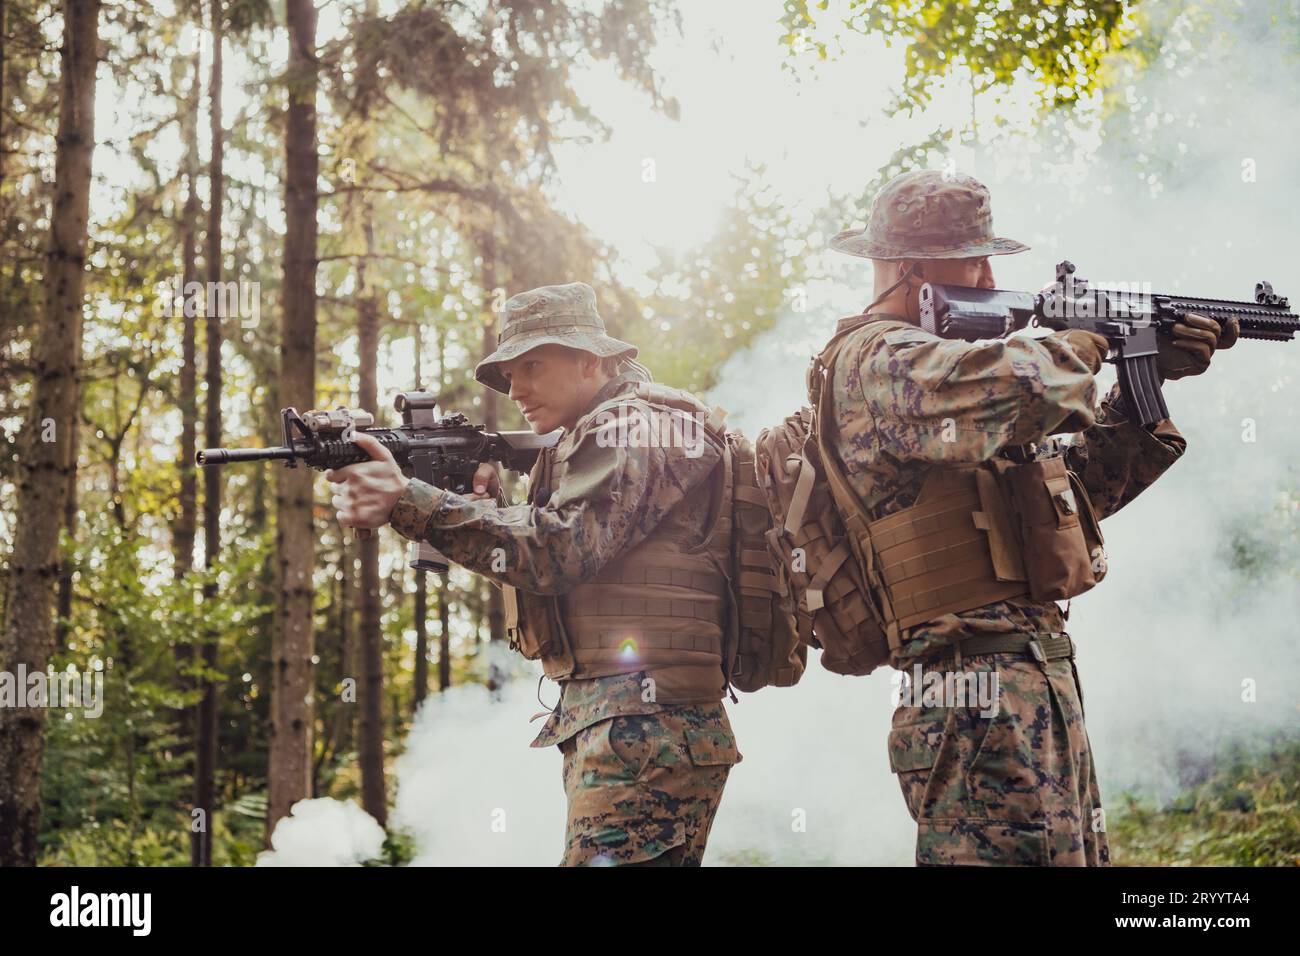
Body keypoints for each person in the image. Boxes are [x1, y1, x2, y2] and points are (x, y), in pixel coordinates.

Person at [822, 169, 1237, 865]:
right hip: (971, 693)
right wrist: (1085, 341)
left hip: (1033, 682)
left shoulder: (971, 382)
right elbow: (1008, 384)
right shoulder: (873, 359)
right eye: (973, 257)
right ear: (908, 266)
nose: (988, 276)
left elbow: (1072, 497)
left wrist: (1145, 375)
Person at [328, 281, 741, 866]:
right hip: (633, 723)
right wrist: (489, 507)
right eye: (509, 374)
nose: (515, 390)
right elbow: (568, 544)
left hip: (646, 725)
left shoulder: (628, 429)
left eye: (532, 367)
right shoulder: (600, 434)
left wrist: (412, 502)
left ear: (590, 360)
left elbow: (561, 551)